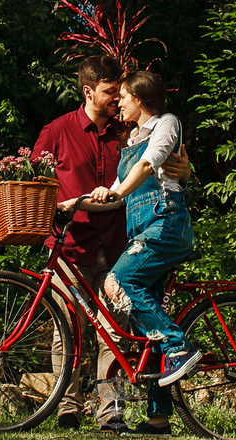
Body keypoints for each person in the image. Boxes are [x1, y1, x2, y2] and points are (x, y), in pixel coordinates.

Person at [32, 56, 190, 432]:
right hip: (71, 245)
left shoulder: (130, 131)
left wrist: (187, 170)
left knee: (115, 332)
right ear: (88, 91)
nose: (117, 98)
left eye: (121, 92)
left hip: (122, 241)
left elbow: (164, 162)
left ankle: (110, 412)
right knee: (66, 331)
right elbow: (35, 181)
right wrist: (46, 222)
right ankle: (66, 408)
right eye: (109, 91)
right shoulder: (57, 131)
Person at [90, 70, 200, 435]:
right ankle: (158, 418)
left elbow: (147, 165)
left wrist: (117, 194)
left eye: (122, 95)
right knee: (146, 318)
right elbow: (114, 191)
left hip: (165, 225)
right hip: (144, 232)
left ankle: (180, 349)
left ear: (139, 96)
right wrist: (72, 204)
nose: (118, 101)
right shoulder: (132, 139)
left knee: (116, 282)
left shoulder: (166, 125)